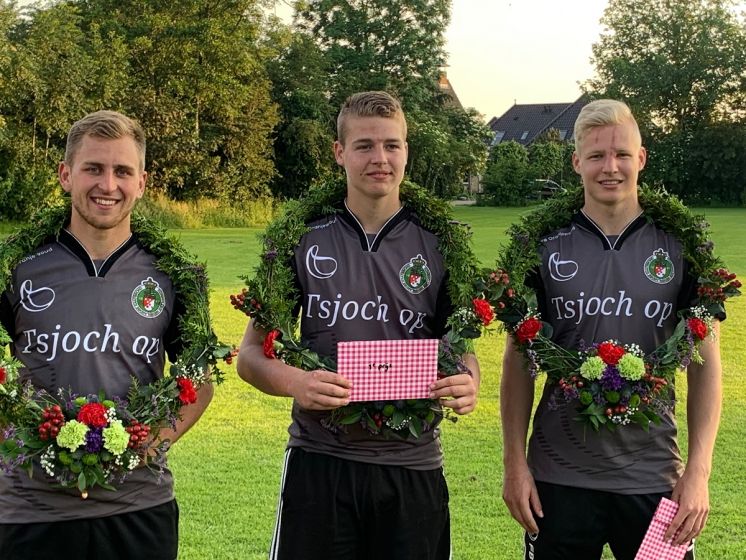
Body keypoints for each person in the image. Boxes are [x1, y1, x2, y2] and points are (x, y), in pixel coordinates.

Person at [237, 91, 480, 560]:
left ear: (406, 151)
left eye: (392, 145)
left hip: (413, 464)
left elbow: (461, 350)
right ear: (339, 152)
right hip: (320, 461)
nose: (379, 159)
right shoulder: (300, 237)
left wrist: (470, 382)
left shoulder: (442, 241)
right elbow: (250, 356)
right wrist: (297, 382)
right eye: (364, 145)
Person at [500, 99, 725, 560]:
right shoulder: (542, 246)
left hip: (654, 477)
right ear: (576, 161)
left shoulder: (680, 245)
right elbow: (519, 361)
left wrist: (699, 472)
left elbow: (706, 364)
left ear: (641, 158)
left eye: (622, 154)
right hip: (558, 479)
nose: (610, 167)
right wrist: (514, 463)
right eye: (597, 155)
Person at [0, 110, 214, 560]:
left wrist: (149, 444)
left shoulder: (173, 274)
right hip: (30, 511)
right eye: (93, 168)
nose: (108, 185)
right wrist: (18, 438)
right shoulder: (15, 268)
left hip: (139, 507)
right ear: (66, 175)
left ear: (142, 182)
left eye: (123, 171)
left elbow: (200, 380)